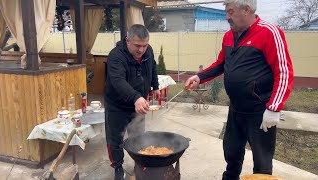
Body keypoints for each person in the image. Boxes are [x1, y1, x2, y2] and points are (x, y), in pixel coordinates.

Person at [185, 0, 294, 179]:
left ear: (246, 10)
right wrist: (199, 77)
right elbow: (221, 63)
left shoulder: (269, 32)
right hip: (236, 108)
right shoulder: (229, 35)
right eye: (226, 12)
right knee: (232, 151)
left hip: (260, 111)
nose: (227, 17)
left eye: (230, 12)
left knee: (262, 159)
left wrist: (274, 108)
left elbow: (283, 72)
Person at [104, 24, 160, 180]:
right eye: (137, 46)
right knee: (115, 140)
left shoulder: (148, 51)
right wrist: (136, 97)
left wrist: (155, 86)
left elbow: (152, 67)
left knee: (138, 137)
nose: (141, 50)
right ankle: (118, 168)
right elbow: (118, 81)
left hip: (139, 105)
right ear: (127, 40)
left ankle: (139, 163)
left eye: (144, 45)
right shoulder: (116, 56)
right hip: (117, 105)